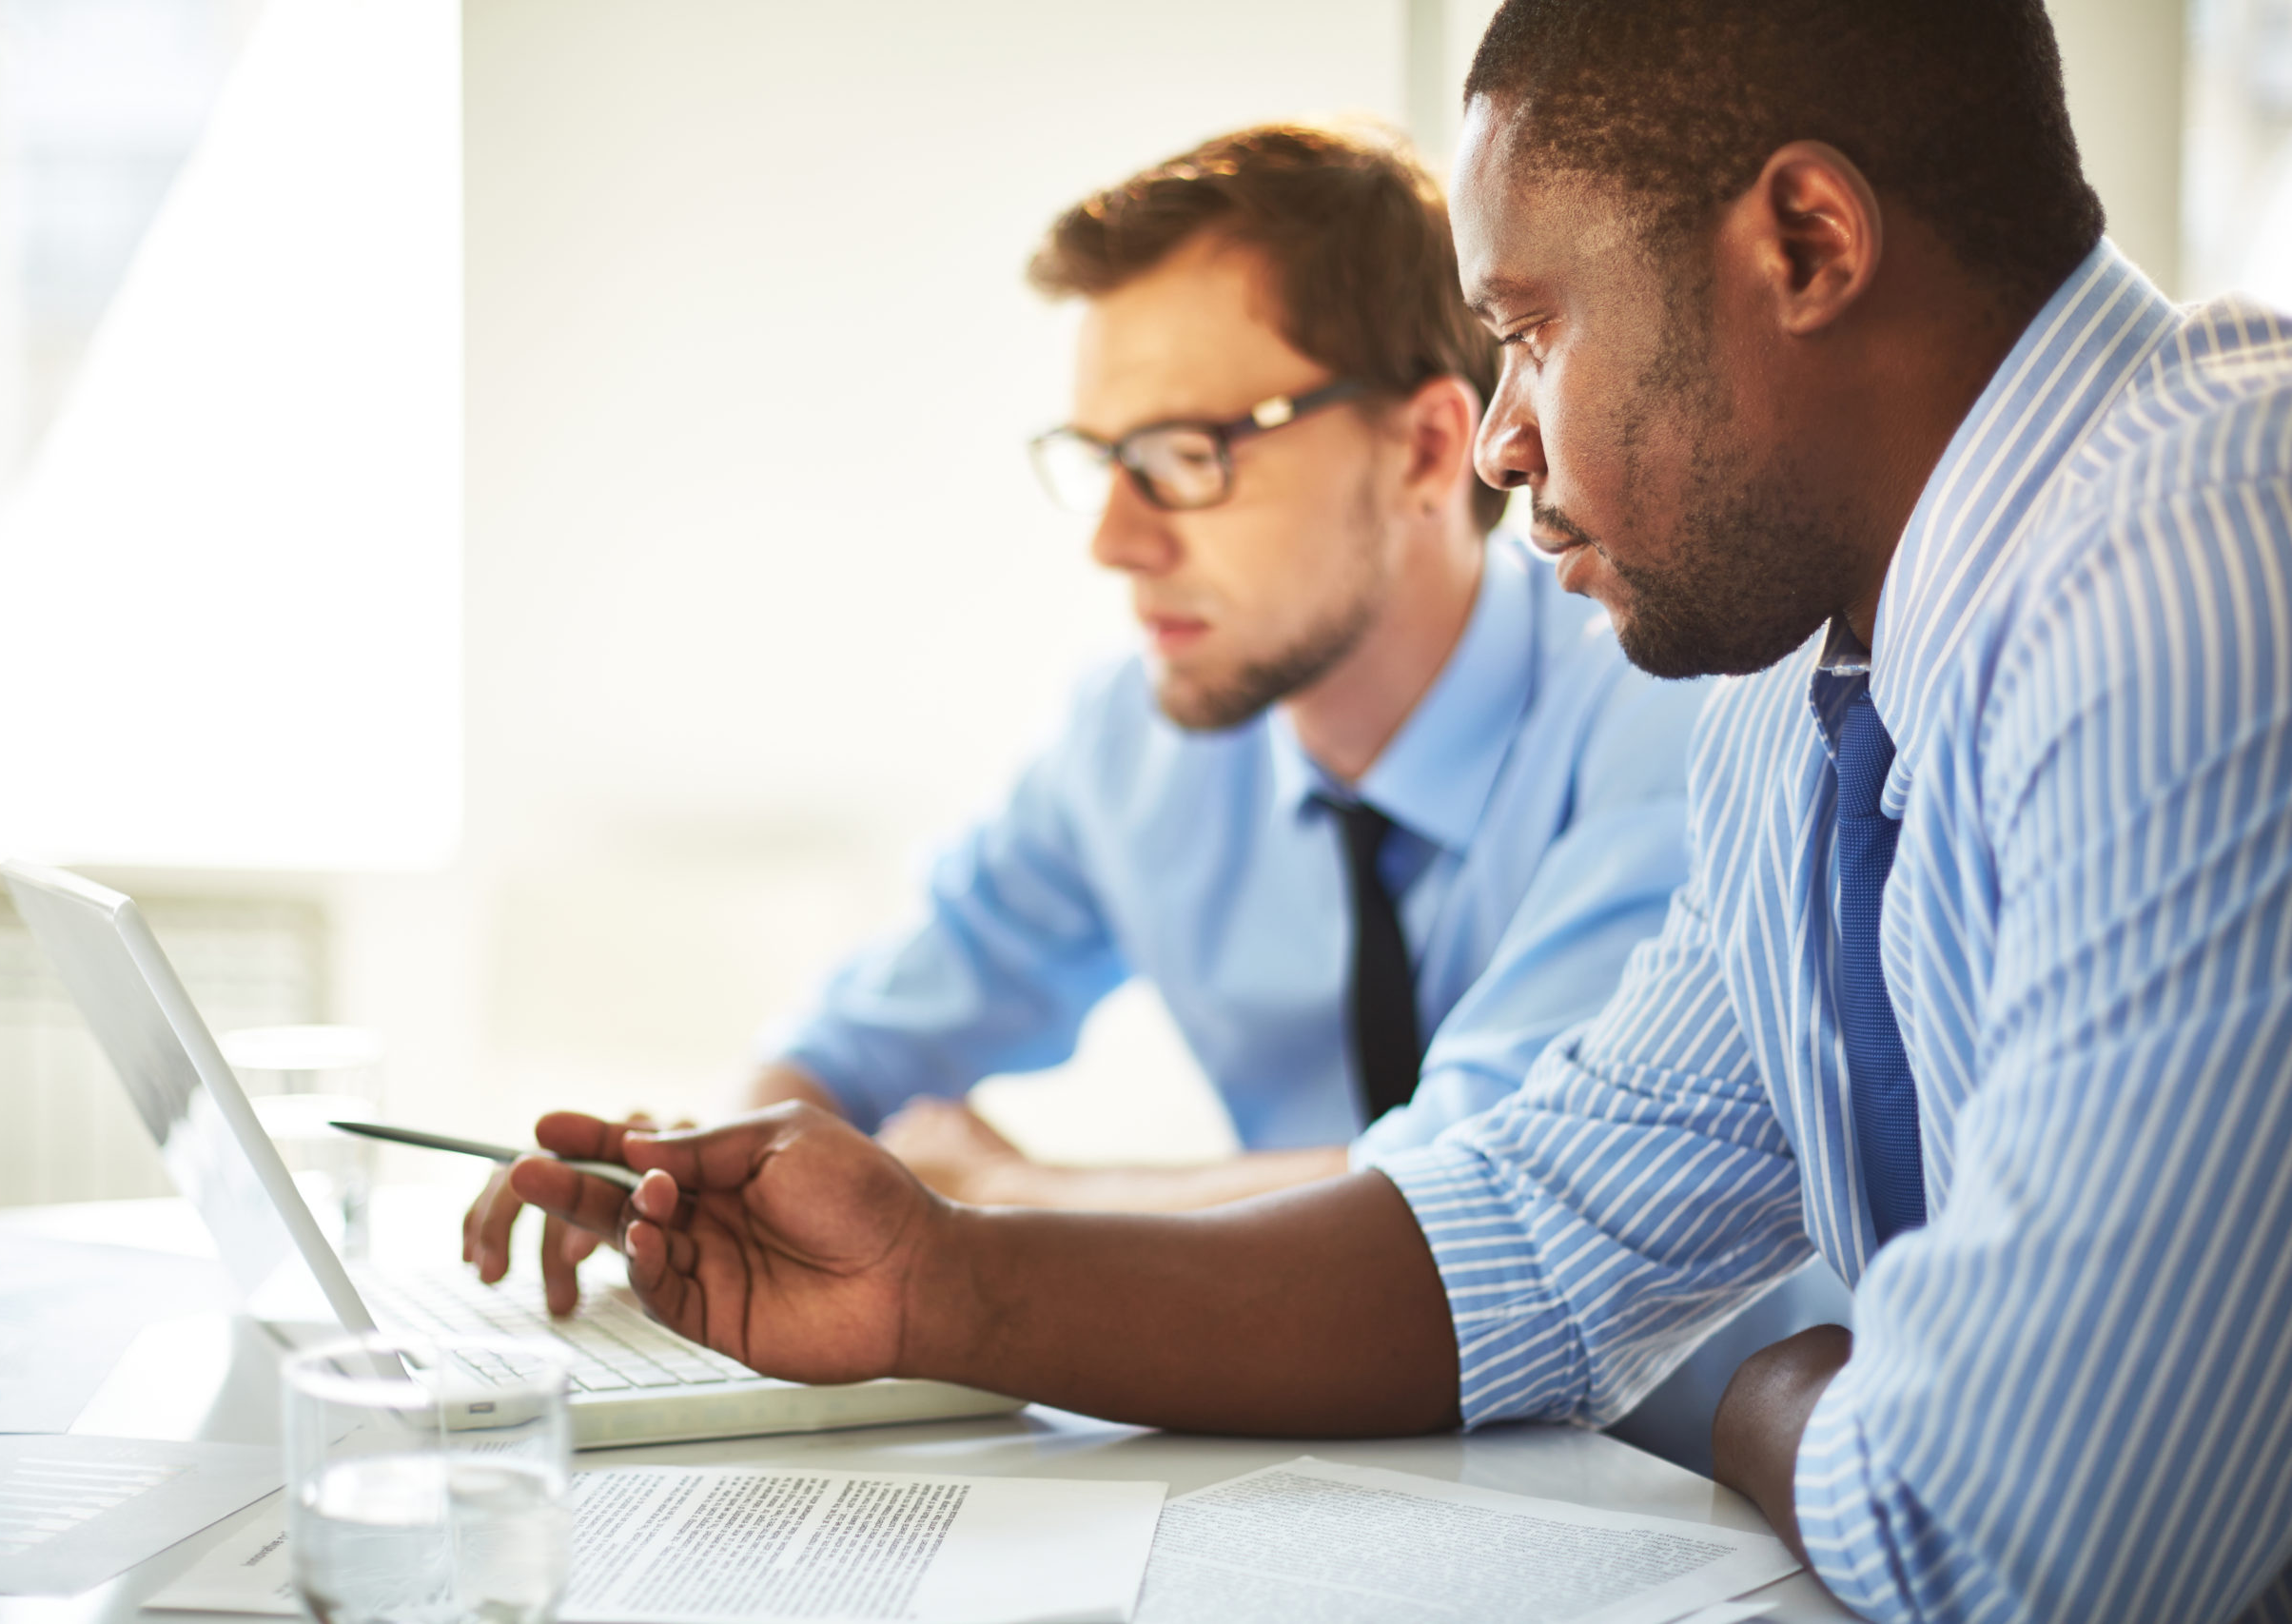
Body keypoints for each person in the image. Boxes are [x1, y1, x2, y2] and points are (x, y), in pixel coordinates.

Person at [508, 1, 2292, 1617]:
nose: (1511, 439)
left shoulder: (2197, 568)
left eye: (1532, 329)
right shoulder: (1801, 687)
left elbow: (2041, 1536)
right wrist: (941, 1282)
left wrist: (1774, 1395)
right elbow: (1542, 1224)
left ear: (1807, 245)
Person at [467, 123, 1708, 1286]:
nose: (1115, 540)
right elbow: (855, 1044)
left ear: (1429, 452)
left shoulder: (1662, 719)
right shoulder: (1138, 740)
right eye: (1103, 463)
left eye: (1183, 457)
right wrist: (694, 1174)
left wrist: (1007, 1199)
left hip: (1669, 1468)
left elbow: (1479, 1188)